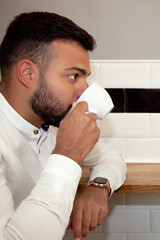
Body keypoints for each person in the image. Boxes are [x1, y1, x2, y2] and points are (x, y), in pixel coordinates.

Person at [0, 12, 127, 240]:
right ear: (27, 74)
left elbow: (110, 158)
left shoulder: (50, 122)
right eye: (73, 76)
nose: (83, 91)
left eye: (85, 78)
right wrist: (67, 155)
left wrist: (99, 187)